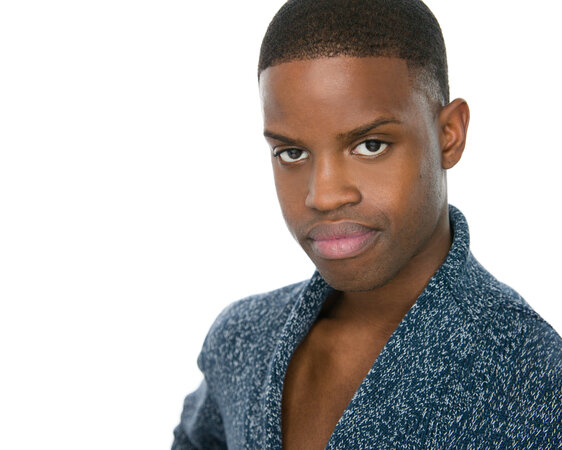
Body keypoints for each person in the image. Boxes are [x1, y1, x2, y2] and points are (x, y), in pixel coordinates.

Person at [172, 0, 562, 448]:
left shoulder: (535, 382)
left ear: (449, 135)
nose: (323, 196)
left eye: (371, 145)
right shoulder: (242, 338)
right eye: (292, 153)